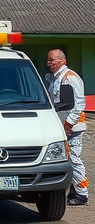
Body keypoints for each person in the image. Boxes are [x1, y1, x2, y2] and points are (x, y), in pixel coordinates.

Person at [46, 49, 87, 206]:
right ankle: (72, 189)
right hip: (62, 126)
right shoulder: (56, 79)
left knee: (74, 159)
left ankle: (82, 194)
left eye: (52, 60)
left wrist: (69, 123)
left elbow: (80, 104)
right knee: (65, 158)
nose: (49, 63)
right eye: (48, 60)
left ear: (62, 61)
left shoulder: (70, 78)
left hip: (73, 126)